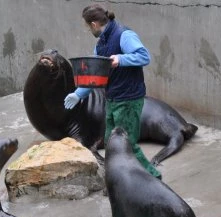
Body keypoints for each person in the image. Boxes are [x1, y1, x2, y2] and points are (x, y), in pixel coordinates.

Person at [64, 4, 162, 179]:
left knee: (127, 145)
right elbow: (95, 75)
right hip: (112, 100)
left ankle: (153, 178)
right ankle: (122, 179)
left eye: (87, 26)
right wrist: (78, 93)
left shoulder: (124, 35)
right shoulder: (100, 45)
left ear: (94, 24)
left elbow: (144, 56)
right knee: (111, 144)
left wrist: (121, 58)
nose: (88, 30)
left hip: (129, 100)